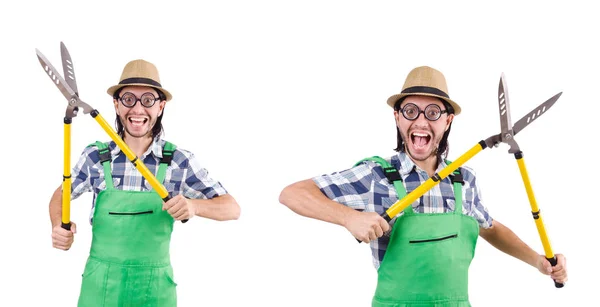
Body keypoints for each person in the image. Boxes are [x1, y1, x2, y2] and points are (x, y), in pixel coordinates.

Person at [278, 66, 567, 306]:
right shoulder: (376, 175)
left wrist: (539, 262)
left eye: (432, 112)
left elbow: (489, 228)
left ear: (447, 120)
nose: (420, 121)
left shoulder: (463, 179)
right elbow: (292, 193)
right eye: (411, 111)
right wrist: (348, 217)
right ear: (397, 116)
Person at [48, 59, 240, 306]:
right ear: (117, 105)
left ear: (160, 107)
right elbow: (61, 193)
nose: (137, 110)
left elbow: (232, 208)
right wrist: (58, 224)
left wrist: (194, 206)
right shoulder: (95, 157)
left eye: (147, 100)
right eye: (129, 99)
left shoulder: (178, 161)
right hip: (100, 290)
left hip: (154, 290)